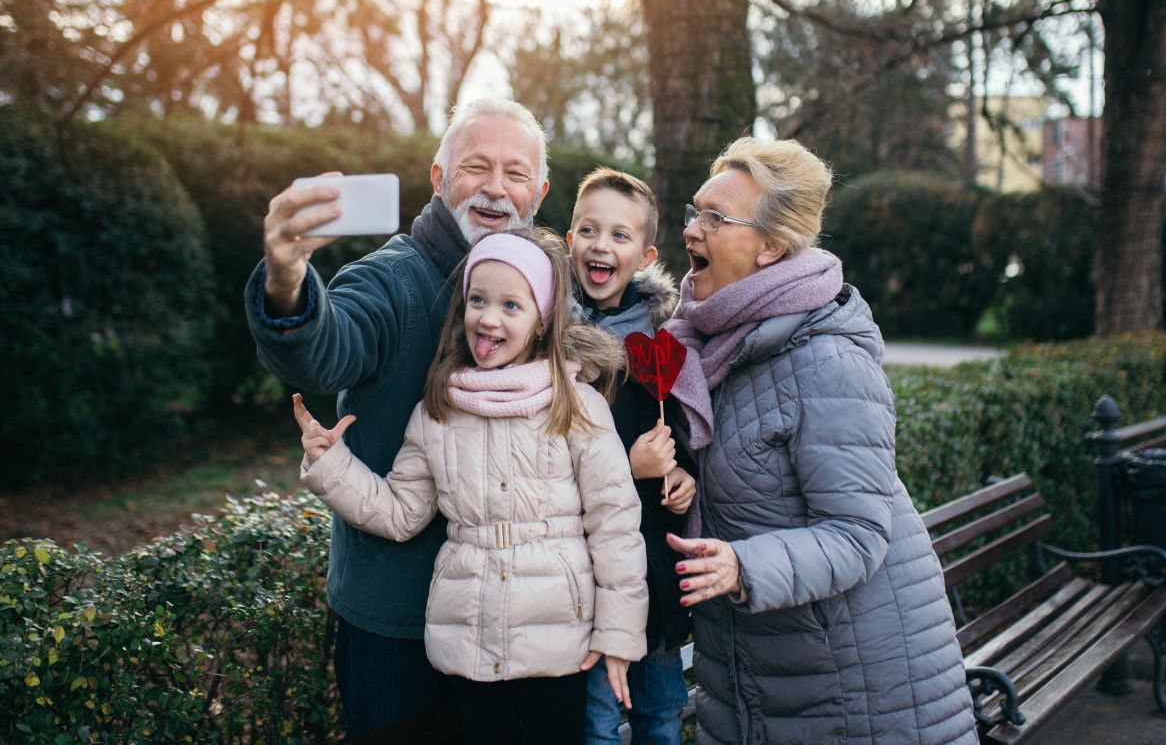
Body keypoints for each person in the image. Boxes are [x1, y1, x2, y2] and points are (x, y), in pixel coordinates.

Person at [243, 98, 549, 741]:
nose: (496, 189)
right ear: (438, 179)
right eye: (476, 167)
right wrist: (285, 281)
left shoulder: (548, 292)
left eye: (516, 174)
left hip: (510, 625)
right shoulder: (392, 279)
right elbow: (324, 348)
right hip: (396, 623)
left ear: (539, 193)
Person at [660, 137, 978, 744]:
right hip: (763, 671)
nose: (693, 232)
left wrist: (742, 564)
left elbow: (859, 535)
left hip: (854, 683)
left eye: (715, 219)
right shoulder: (711, 342)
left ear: (772, 247)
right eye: (693, 212)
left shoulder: (826, 360)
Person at [292, 228, 649, 745]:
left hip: (559, 641)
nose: (488, 317)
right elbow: (400, 512)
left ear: (542, 320)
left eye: (511, 305)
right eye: (477, 301)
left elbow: (614, 522)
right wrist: (332, 466)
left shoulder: (576, 405)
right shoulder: (438, 411)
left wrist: (618, 634)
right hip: (470, 641)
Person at [565, 168, 694, 745]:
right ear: (569, 240)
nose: (601, 244)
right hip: (588, 582)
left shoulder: (659, 343)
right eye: (588, 229)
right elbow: (540, 458)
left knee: (661, 715)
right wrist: (628, 466)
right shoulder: (549, 341)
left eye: (619, 236)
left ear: (643, 257)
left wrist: (681, 475)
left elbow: (682, 438)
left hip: (655, 575)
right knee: (596, 723)